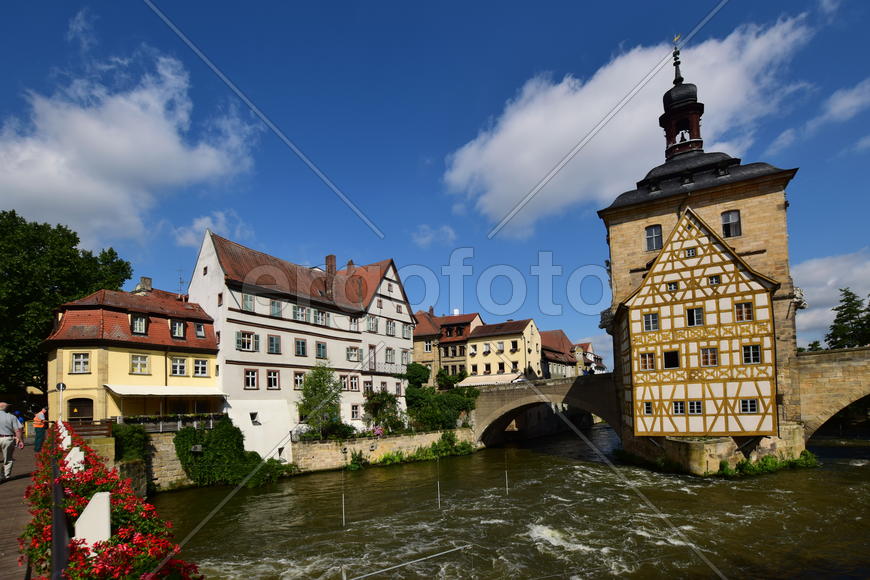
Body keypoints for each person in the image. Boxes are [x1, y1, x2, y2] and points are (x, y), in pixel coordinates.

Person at [0, 402, 25, 483]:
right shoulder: (12, 417)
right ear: (6, 408)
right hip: (7, 439)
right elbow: (18, 430)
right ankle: (6, 476)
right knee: (8, 458)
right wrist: (20, 440)